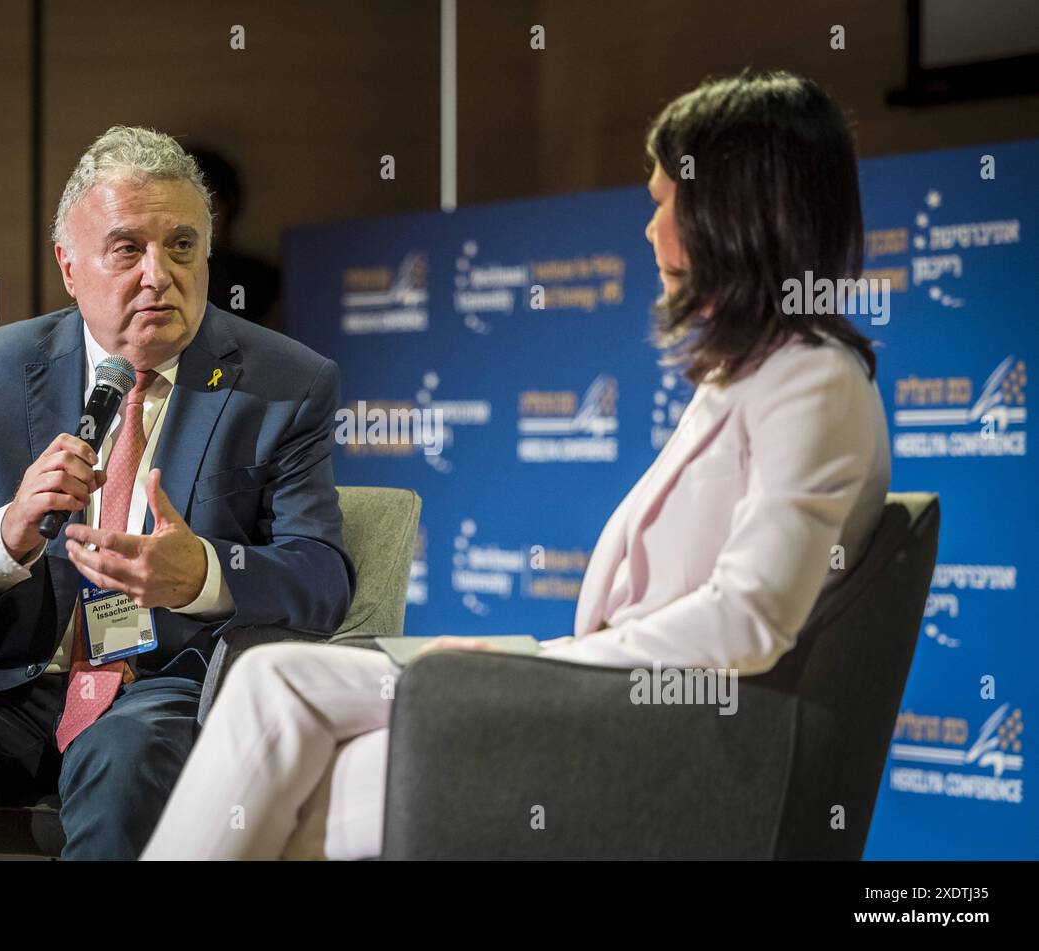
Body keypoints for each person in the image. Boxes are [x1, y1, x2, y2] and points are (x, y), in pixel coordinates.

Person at [139, 70, 893, 861]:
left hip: (658, 738)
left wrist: (540, 665)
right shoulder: (761, 370)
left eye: (667, 202)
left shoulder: (812, 381)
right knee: (280, 705)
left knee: (287, 742)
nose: (649, 230)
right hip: (606, 702)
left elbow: (750, 619)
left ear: (739, 209)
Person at [0, 125, 353, 860]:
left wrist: (206, 574)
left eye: (182, 245)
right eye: (127, 248)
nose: (159, 274)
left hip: (158, 692)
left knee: (127, 763)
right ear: (69, 264)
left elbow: (323, 577)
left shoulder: (286, 383)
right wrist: (6, 535)